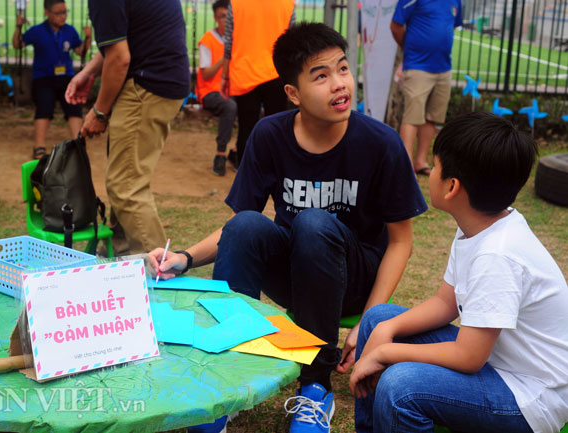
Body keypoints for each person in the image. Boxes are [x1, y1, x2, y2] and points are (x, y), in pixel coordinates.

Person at [149, 23, 427, 433]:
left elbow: (401, 242)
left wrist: (371, 321)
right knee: (247, 225)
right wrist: (185, 258)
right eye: (321, 75)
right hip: (299, 270)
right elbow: (235, 226)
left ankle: (315, 390)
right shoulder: (269, 135)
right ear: (293, 94)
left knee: (313, 222)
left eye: (343, 69)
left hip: (356, 276)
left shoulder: (381, 143)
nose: (339, 84)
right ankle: (227, 383)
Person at [351, 112, 568, 433]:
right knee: (378, 319)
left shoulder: (498, 255)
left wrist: (386, 352)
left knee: (401, 387)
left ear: (452, 186)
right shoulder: (477, 225)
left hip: (530, 396)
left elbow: (469, 357)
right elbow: (445, 303)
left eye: (435, 167)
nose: (430, 174)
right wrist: (388, 330)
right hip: (498, 363)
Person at [65, 0, 189, 256]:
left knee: (126, 186)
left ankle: (159, 274)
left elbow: (120, 59)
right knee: (126, 176)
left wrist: (100, 112)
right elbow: (121, 39)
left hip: (147, 84)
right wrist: (89, 72)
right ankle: (121, 255)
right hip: (163, 79)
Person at [390, 0, 462, 176]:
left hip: (444, 67)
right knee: (412, 116)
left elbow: (451, 26)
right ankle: (405, 164)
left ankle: (420, 162)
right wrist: (409, 49)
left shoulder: (456, 1)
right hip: (417, 66)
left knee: (432, 117)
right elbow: (395, 26)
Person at [12, 0, 91, 159]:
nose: (63, 16)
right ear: (47, 13)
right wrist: (18, 27)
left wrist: (88, 38)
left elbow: (79, 51)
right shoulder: (37, 31)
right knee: (44, 109)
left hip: (67, 77)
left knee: (73, 109)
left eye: (65, 12)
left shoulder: (70, 31)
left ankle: (78, 145)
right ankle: (39, 147)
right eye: (59, 13)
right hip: (43, 77)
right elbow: (17, 44)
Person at [221, 0, 294, 166]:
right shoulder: (287, 4)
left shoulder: (236, 4)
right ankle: (275, 171)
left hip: (245, 73)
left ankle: (245, 173)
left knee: (246, 128)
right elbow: (292, 44)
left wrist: (224, 77)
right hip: (276, 73)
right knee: (277, 128)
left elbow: (228, 45)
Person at [197, 0, 238, 176]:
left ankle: (238, 151)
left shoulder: (239, 39)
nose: (226, 21)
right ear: (215, 18)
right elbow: (206, 74)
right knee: (230, 106)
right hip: (210, 91)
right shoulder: (208, 40)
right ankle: (220, 154)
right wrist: (225, 56)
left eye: (229, 17)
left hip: (233, 89)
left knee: (248, 102)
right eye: (222, 17)